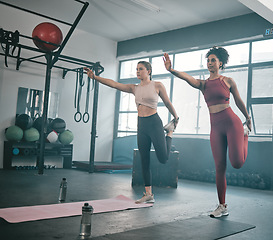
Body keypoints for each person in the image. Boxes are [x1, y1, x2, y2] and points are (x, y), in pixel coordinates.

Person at [163, 46, 251, 218]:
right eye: (208, 60)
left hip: (232, 123)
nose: (210, 63)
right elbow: (188, 78)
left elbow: (239, 101)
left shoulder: (228, 81)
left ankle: (245, 135)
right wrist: (171, 70)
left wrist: (247, 118)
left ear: (221, 63)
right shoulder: (203, 84)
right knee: (219, 166)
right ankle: (222, 205)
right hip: (215, 127)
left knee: (237, 163)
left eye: (213, 60)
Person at [84, 61, 179, 204]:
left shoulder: (157, 85)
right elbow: (114, 84)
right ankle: (148, 194)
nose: (138, 71)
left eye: (141, 69)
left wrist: (175, 117)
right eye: (136, 69)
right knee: (144, 160)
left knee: (163, 158)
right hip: (141, 124)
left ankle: (169, 133)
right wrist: (95, 77)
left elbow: (167, 102)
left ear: (149, 71)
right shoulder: (134, 88)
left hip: (154, 123)